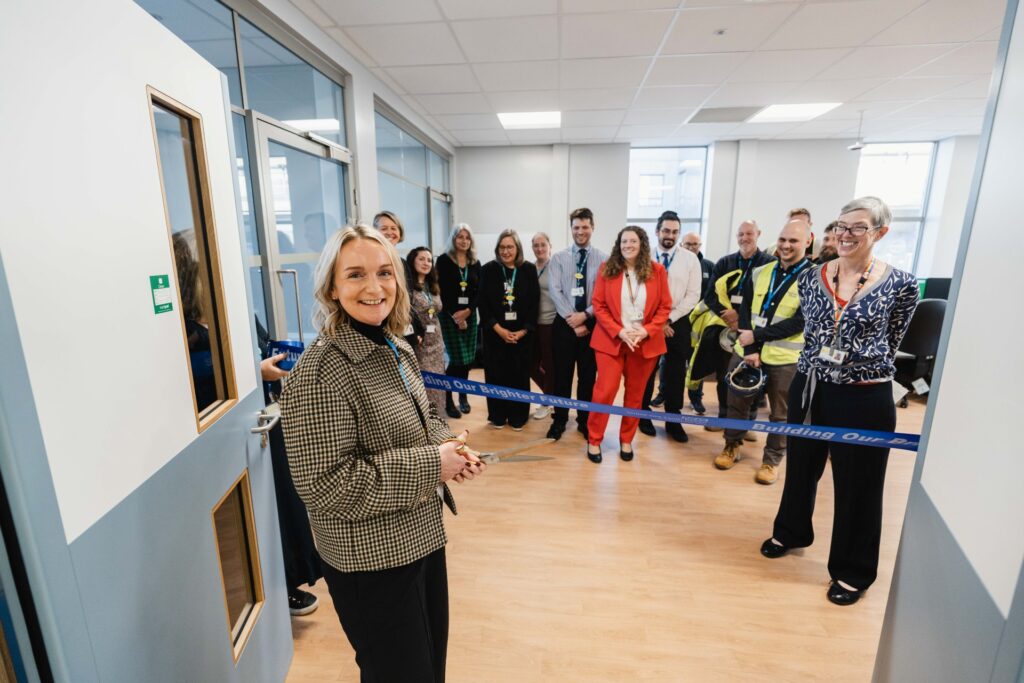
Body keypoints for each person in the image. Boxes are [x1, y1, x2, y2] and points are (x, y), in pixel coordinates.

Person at [281, 224, 486, 680]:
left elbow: (422, 420)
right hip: (370, 562)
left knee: (430, 668)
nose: (374, 288)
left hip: (421, 538)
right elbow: (326, 486)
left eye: (384, 273)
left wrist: (447, 447)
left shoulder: (395, 348)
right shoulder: (319, 374)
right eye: (355, 275)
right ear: (332, 288)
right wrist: (434, 464)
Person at [760, 197, 918, 607]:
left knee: (859, 486)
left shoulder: (901, 283)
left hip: (865, 394)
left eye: (857, 227)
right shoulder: (812, 277)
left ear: (880, 232)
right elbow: (812, 329)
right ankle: (791, 531)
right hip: (811, 384)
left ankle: (852, 571)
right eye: (841, 226)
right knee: (802, 466)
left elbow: (892, 340)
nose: (845, 235)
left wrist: (857, 366)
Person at [715, 219, 813, 484]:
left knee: (781, 414)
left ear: (808, 241)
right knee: (737, 403)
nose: (786, 245)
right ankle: (731, 445)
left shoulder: (814, 278)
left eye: (793, 241)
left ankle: (771, 461)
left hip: (785, 359)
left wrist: (757, 336)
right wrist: (751, 347)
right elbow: (746, 310)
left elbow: (801, 321)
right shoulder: (761, 271)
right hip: (747, 351)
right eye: (782, 239)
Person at [255, 317, 323, 616]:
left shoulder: (243, 316)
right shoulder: (191, 331)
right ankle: (275, 586)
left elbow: (266, 344)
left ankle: (289, 578)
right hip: (242, 430)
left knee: (286, 501)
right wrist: (256, 372)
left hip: (268, 417)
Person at [587, 227, 672, 463]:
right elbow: (599, 305)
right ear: (618, 244)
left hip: (644, 343)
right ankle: (594, 440)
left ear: (642, 243)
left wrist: (645, 331)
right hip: (612, 340)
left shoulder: (657, 271)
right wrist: (620, 331)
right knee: (604, 392)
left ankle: (626, 439)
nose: (628, 245)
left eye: (633, 241)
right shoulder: (608, 269)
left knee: (635, 395)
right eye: (623, 241)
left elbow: (665, 307)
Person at [688, 220, 772, 430]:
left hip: (754, 331)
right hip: (726, 329)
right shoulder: (725, 262)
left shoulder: (769, 264)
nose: (745, 238)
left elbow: (769, 299)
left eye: (749, 234)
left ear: (758, 234)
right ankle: (724, 418)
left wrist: (741, 318)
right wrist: (730, 318)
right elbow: (710, 296)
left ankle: (748, 424)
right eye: (741, 234)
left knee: (753, 375)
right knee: (724, 373)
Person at [638, 211, 702, 442]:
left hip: (677, 323)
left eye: (675, 231)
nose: (670, 235)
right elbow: (637, 292)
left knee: (676, 374)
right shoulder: (643, 257)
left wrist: (669, 319)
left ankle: (673, 422)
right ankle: (642, 417)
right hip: (648, 321)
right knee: (646, 371)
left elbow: (693, 295)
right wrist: (656, 321)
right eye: (666, 230)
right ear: (657, 231)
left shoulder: (689, 259)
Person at [546, 208, 608, 441]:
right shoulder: (559, 258)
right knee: (562, 376)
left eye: (585, 227)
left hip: (593, 325)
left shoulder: (604, 259)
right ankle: (559, 419)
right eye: (576, 227)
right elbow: (555, 291)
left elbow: (605, 295)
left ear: (592, 227)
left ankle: (584, 420)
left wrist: (586, 315)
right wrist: (574, 319)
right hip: (564, 325)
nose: (580, 231)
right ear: (571, 228)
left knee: (587, 377)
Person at [477, 229, 540, 430]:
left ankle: (518, 416)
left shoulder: (528, 270)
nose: (506, 251)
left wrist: (523, 331)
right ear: (497, 249)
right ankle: (497, 415)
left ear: (517, 248)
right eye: (502, 247)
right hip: (495, 335)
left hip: (522, 336)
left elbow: (534, 303)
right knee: (496, 375)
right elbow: (482, 303)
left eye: (510, 247)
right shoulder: (488, 270)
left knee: (519, 376)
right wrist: (499, 330)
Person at [436, 223, 481, 419]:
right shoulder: (444, 261)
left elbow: (479, 292)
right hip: (448, 316)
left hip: (470, 317)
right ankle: (448, 400)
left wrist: (468, 312)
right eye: (460, 237)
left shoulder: (475, 262)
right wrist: (457, 316)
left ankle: (463, 396)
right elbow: (441, 290)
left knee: (467, 360)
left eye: (467, 237)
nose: (463, 240)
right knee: (455, 359)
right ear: (453, 239)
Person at [406, 246, 447, 418]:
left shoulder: (433, 286)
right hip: (420, 342)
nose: (426, 263)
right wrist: (413, 335)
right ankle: (424, 420)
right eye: (421, 259)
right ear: (412, 261)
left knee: (438, 382)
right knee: (423, 384)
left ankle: (438, 418)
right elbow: (406, 313)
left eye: (429, 260)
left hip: (436, 341)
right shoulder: (408, 287)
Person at [373, 210, 423, 350]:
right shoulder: (373, 262)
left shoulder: (403, 263)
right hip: (384, 331)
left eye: (394, 228)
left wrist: (416, 329)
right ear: (374, 232)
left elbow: (408, 300)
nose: (390, 232)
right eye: (384, 228)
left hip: (404, 330)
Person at [681, 230, 715, 415]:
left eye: (695, 244)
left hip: (700, 324)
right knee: (670, 363)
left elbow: (713, 294)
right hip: (678, 322)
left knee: (697, 361)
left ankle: (695, 399)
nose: (692, 248)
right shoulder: (677, 264)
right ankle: (665, 393)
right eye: (688, 244)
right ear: (681, 245)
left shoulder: (710, 267)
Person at [530, 232, 557, 420]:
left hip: (551, 323)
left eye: (543, 245)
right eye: (536, 245)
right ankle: (551, 396)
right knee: (531, 365)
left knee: (550, 364)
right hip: (532, 323)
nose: (540, 248)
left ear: (549, 246)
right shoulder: (529, 268)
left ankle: (547, 402)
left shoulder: (556, 267)